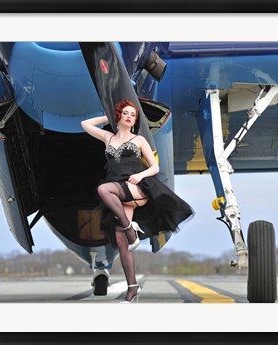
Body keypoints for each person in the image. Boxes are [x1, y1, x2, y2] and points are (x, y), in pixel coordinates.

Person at [81, 99, 194, 303]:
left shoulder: (139, 140)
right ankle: (133, 288)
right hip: (119, 194)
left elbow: (154, 167)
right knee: (122, 243)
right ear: (119, 116)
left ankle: (131, 230)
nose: (129, 117)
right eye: (125, 113)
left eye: (133, 115)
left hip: (136, 188)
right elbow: (85, 125)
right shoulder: (108, 138)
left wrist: (140, 177)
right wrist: (108, 116)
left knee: (102, 189)